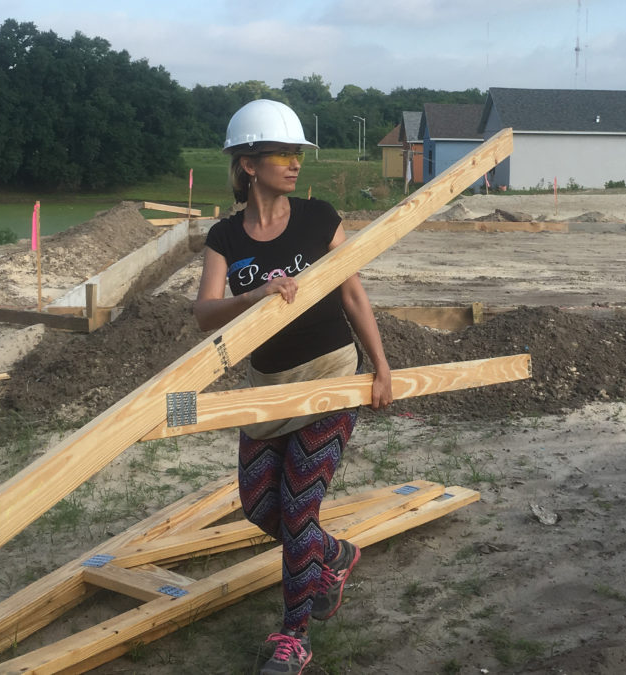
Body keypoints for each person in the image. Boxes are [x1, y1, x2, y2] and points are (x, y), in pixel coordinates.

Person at [194, 98, 393, 674]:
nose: (295, 163)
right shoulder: (225, 237)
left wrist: (380, 368)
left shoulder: (318, 217)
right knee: (261, 505)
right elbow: (203, 312)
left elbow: (353, 293)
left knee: (299, 507)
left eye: (297, 153)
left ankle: (294, 636)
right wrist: (250, 297)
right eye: (282, 153)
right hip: (267, 386)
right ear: (249, 164)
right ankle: (335, 556)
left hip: (331, 377)